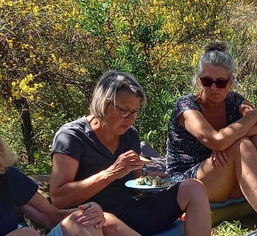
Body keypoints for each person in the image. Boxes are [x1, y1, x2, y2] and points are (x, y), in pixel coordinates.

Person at [50, 70, 212, 236]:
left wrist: (149, 181)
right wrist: (111, 173)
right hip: (94, 220)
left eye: (135, 112)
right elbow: (59, 199)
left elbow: (133, 186)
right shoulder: (72, 137)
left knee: (194, 187)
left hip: (131, 212)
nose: (131, 118)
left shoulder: (130, 134)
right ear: (103, 104)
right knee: (110, 221)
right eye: (125, 110)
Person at [166, 41, 257, 226]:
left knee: (255, 139)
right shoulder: (186, 106)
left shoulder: (234, 101)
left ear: (230, 82)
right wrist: (246, 123)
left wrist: (230, 139)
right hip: (191, 182)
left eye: (221, 83)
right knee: (242, 144)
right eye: (207, 81)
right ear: (199, 79)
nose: (213, 88)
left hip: (226, 174)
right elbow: (216, 140)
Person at [0, 136, 122, 236]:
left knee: (85, 220)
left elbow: (52, 216)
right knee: (26, 234)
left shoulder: (8, 176)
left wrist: (90, 212)